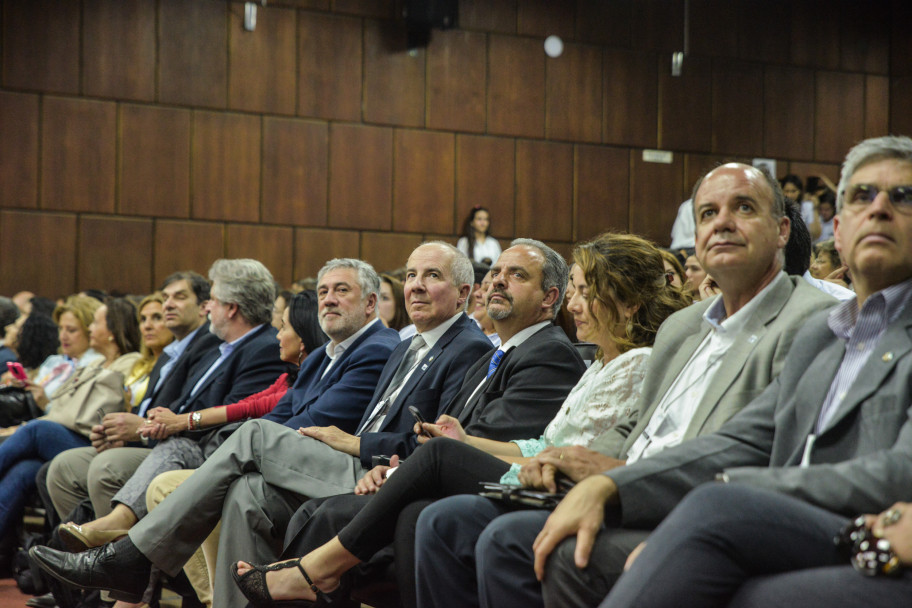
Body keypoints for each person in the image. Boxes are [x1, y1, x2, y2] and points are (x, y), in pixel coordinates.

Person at [494, 135, 912, 608]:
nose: (879, 208)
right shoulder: (827, 333)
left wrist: (726, 495)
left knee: (716, 520)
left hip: (858, 522)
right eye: (862, 195)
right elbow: (743, 439)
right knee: (525, 542)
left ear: (782, 232)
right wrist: (611, 482)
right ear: (837, 230)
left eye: (903, 196)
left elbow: (901, 470)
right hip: (761, 515)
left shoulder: (802, 318)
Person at [412, 160, 838, 608]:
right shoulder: (684, 326)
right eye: (708, 213)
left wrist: (613, 481)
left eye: (744, 207)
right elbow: (638, 424)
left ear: (783, 230)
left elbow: (757, 446)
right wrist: (574, 459)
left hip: (685, 500)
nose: (723, 223)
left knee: (510, 540)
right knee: (447, 522)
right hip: (621, 483)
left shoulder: (808, 319)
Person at [230, 232, 690, 606]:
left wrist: (423, 457)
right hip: (524, 467)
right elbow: (535, 443)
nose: (575, 304)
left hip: (559, 485)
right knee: (399, 509)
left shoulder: (584, 357)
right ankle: (306, 578)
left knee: (362, 498)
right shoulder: (593, 364)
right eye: (496, 272)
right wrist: (463, 440)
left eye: (586, 293)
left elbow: (576, 453)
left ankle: (314, 572)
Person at [30, 257, 402, 605]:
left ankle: (131, 556)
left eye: (342, 290)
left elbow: (311, 424)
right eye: (323, 291)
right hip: (299, 463)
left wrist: (255, 444)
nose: (328, 300)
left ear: (371, 303)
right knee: (243, 491)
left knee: (254, 435)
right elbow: (281, 416)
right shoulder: (323, 355)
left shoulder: (378, 348)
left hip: (350, 469)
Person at [55, 291, 325, 553]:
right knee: (61, 466)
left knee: (156, 477)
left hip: (252, 462)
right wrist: (165, 423)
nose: (278, 334)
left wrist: (179, 423)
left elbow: (251, 408)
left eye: (283, 327)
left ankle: (123, 550)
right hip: (208, 446)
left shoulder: (266, 354)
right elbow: (242, 405)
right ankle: (109, 569)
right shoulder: (208, 351)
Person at [43, 271, 223, 525]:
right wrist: (118, 433)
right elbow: (149, 409)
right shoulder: (169, 352)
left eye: (179, 297)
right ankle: (85, 544)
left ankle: (111, 555)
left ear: (204, 307)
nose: (168, 304)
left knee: (99, 464)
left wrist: (138, 431)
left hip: (175, 447)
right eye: (165, 298)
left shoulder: (209, 346)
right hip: (147, 440)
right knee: (62, 467)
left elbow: (185, 412)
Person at [0, 298, 141, 539]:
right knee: (27, 470)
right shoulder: (94, 362)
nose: (89, 330)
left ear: (112, 331)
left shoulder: (131, 364)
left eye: (94, 324)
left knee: (37, 430)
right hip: (69, 432)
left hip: (95, 440)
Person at [31, 296, 105, 400]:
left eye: (71, 330)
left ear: (90, 331)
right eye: (61, 329)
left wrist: (45, 405)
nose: (63, 336)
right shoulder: (54, 362)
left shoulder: (96, 366)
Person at [472, 271, 500, 347]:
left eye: (486, 289)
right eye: (481, 287)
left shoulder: (504, 344)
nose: (476, 293)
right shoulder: (469, 326)